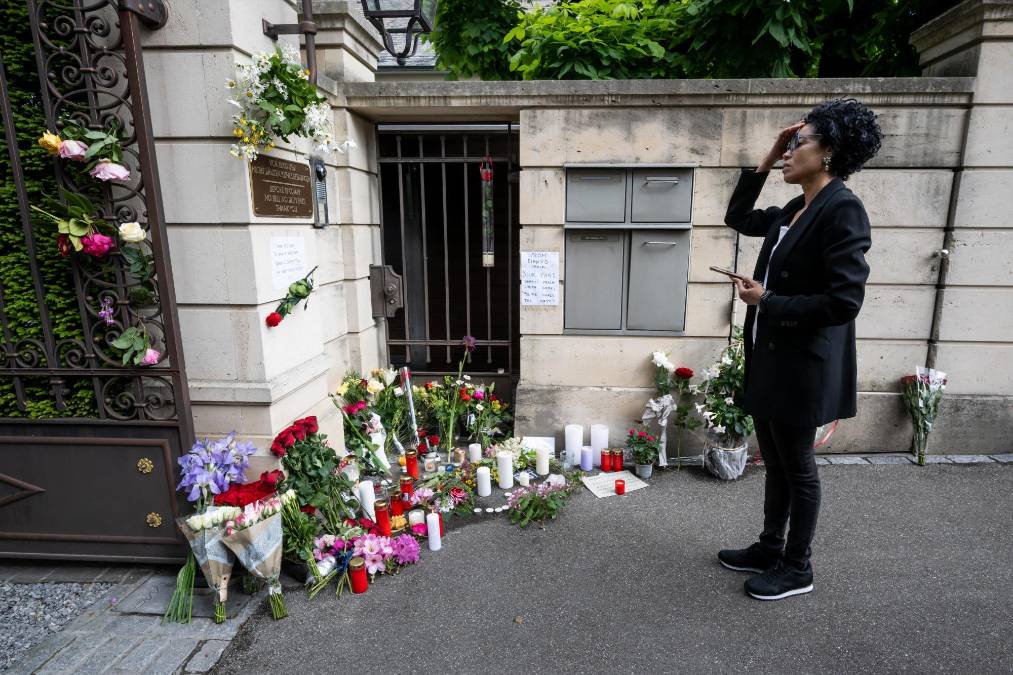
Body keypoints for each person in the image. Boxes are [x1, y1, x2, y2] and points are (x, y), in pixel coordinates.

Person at [717, 98, 883, 601]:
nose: (789, 153)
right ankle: (770, 547)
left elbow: (844, 302)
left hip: (803, 364)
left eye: (797, 144)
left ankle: (797, 567)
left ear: (828, 151)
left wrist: (768, 300)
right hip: (772, 356)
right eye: (787, 146)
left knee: (798, 468)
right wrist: (768, 156)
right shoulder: (795, 208)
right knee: (775, 460)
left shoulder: (843, 208)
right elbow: (737, 215)